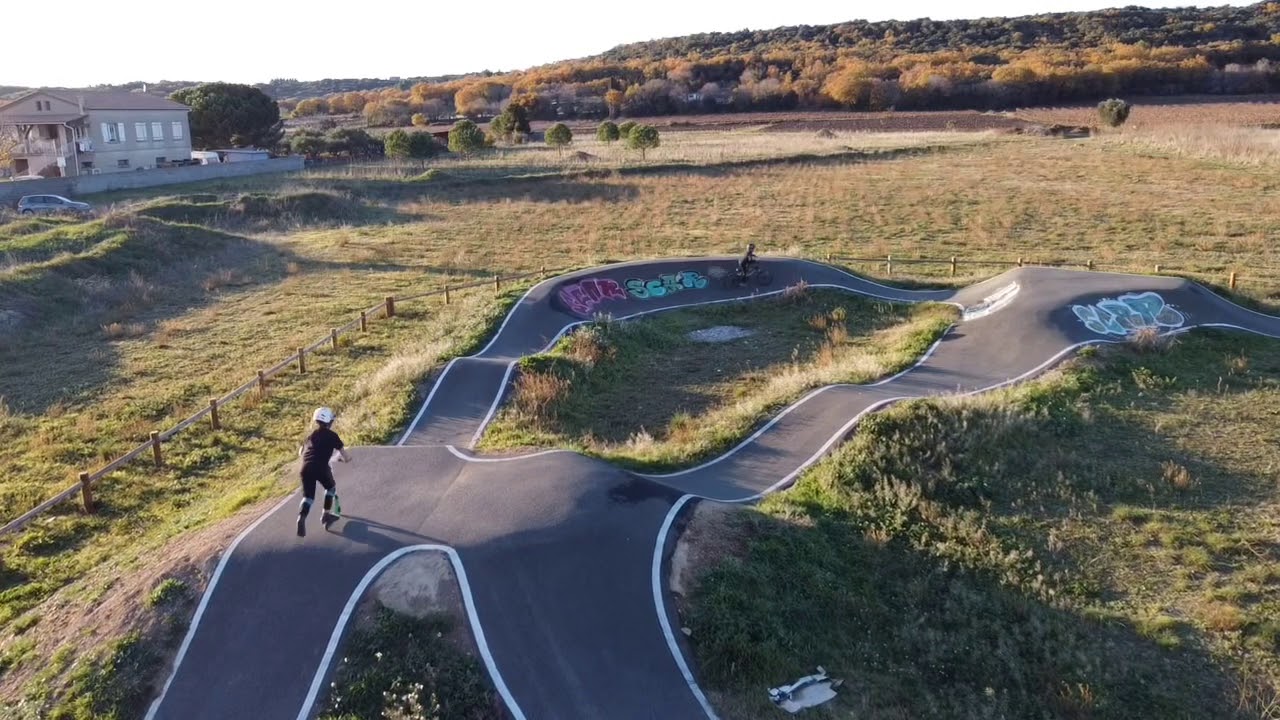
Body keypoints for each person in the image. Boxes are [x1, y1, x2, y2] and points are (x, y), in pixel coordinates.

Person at [296, 406, 351, 537]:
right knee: (331, 488)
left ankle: (301, 517)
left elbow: (301, 452)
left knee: (308, 497)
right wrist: (345, 459)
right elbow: (346, 457)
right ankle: (326, 515)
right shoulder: (333, 436)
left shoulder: (311, 436)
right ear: (330, 422)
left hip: (305, 468)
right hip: (321, 467)